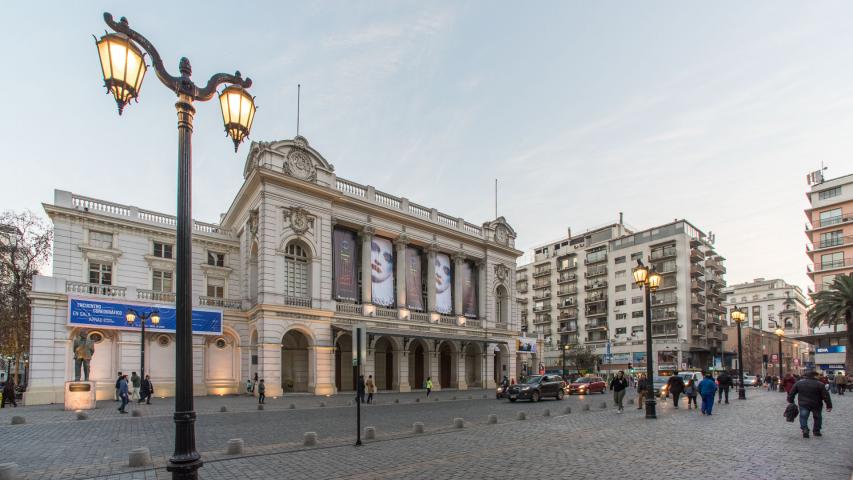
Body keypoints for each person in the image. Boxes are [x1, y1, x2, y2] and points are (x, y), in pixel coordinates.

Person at [788, 370, 832, 438]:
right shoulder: (819, 384)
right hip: (817, 404)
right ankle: (816, 431)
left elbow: (792, 393)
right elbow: (825, 395)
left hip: (803, 403)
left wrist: (791, 401)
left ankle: (805, 429)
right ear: (814, 376)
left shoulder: (799, 383)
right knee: (817, 417)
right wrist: (829, 405)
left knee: (803, 417)